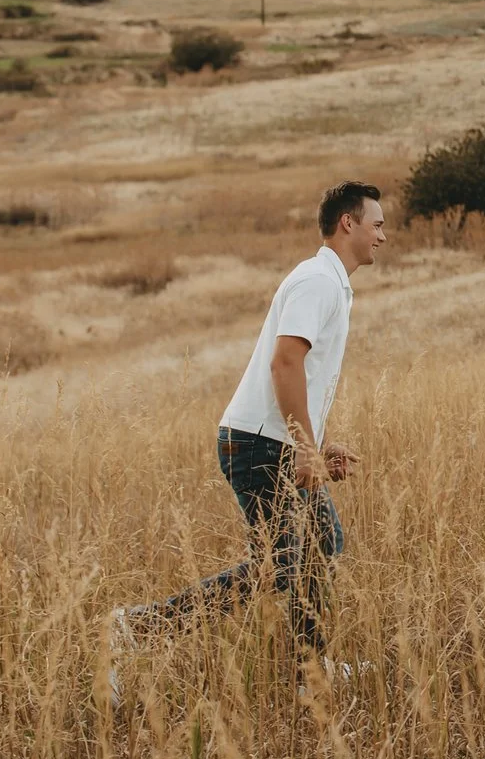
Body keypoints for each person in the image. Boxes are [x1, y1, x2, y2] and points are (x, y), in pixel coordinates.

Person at [109, 181, 386, 699]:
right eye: (377, 224)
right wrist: (305, 447)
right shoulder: (317, 281)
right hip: (259, 445)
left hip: (271, 441)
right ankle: (138, 628)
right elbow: (285, 362)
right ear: (347, 223)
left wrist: (317, 444)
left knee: (316, 546)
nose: (382, 236)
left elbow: (298, 375)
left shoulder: (331, 284)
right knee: (286, 563)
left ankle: (312, 673)